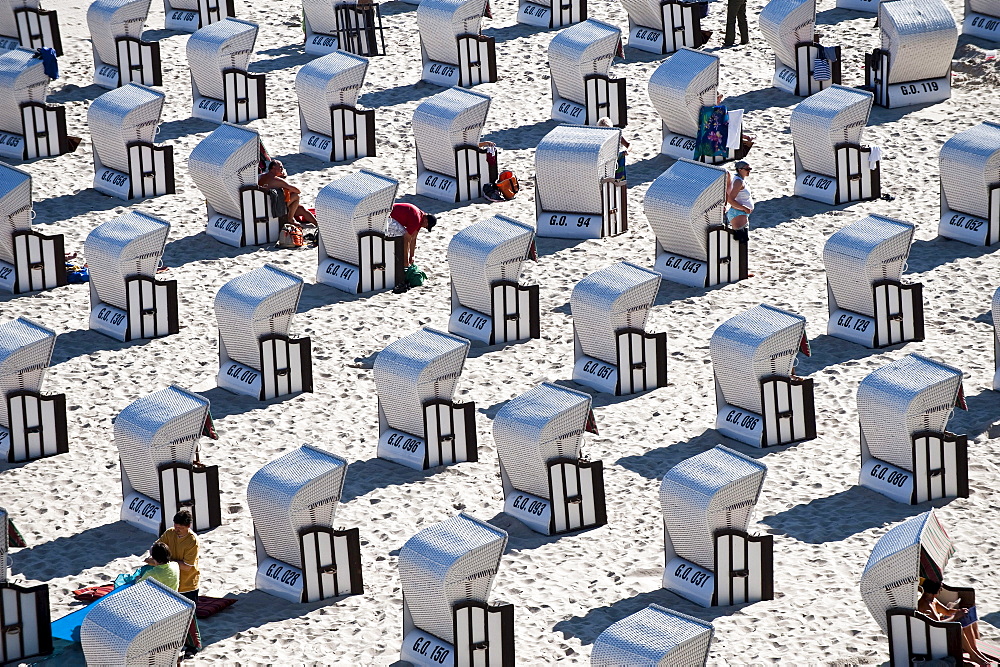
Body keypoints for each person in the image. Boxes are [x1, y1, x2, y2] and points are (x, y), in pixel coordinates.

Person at [917, 581, 992, 666]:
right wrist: (955, 617)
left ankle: (975, 650)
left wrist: (960, 611)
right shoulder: (926, 605)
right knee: (957, 627)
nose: (941, 590)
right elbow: (936, 625)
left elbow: (947, 611)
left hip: (939, 630)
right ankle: (972, 654)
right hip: (934, 636)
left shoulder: (932, 600)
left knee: (965, 619)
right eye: (940, 588)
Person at [159, 509, 202, 656]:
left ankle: (193, 647)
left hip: (188, 583)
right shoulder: (170, 533)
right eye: (176, 526)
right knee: (174, 616)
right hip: (171, 581)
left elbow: (186, 566)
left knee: (189, 617)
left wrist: (165, 561)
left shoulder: (193, 541)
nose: (176, 530)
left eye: (180, 528)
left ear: (188, 526)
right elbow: (158, 548)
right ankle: (178, 643)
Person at [258, 160, 318, 228]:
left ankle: (316, 224)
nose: (282, 169)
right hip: (274, 207)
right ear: (273, 167)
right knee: (296, 196)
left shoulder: (262, 176)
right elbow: (298, 191)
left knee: (300, 208)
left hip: (265, 205)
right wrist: (284, 180)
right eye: (280, 167)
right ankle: (291, 219)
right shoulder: (277, 180)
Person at [387, 202, 436, 269]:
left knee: (405, 235)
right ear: (426, 221)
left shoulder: (421, 216)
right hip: (387, 216)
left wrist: (412, 256)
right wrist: (406, 261)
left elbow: (413, 238)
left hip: (390, 214)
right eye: (426, 226)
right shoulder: (417, 219)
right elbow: (406, 238)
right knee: (403, 235)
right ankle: (401, 259)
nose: (425, 228)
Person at [726, 160, 753, 242]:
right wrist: (744, 208)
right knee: (741, 240)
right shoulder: (738, 181)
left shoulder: (740, 180)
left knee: (742, 240)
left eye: (750, 169)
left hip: (740, 213)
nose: (749, 171)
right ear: (740, 169)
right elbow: (730, 200)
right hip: (738, 213)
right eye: (747, 169)